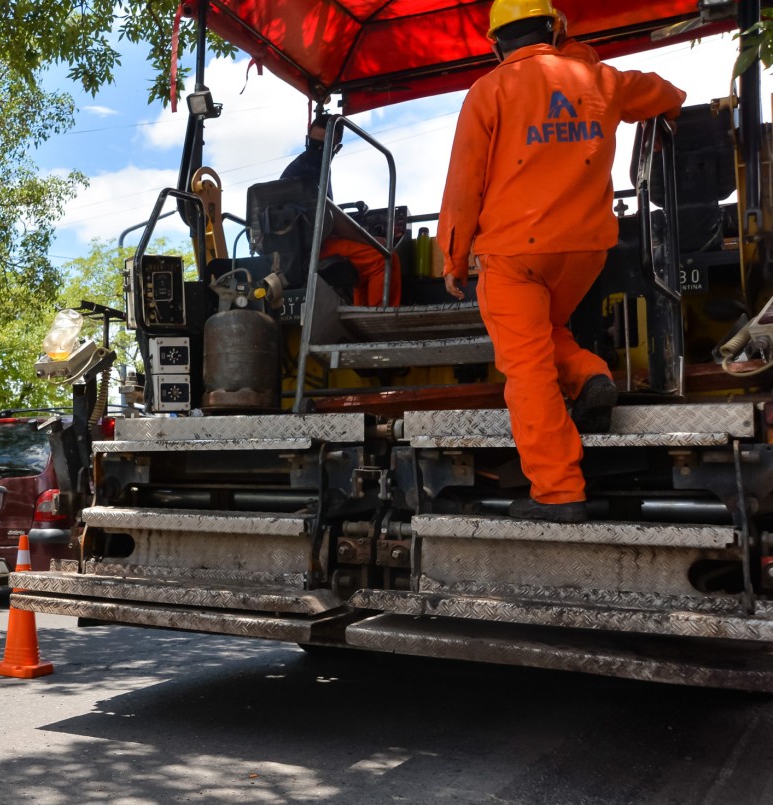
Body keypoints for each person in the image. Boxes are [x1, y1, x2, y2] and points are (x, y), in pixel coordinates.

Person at [438, 0, 686, 522]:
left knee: (525, 368)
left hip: (513, 255)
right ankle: (590, 372)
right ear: (554, 28)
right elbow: (665, 91)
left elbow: (463, 185)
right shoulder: (599, 79)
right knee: (548, 331)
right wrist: (669, 112)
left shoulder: (488, 91)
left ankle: (557, 491)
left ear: (495, 42)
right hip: (585, 251)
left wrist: (454, 258)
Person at [282, 115, 401, 307]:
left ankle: (363, 323)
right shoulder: (310, 171)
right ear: (307, 139)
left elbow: (325, 215)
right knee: (384, 257)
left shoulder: (302, 166)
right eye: (314, 144)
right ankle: (383, 321)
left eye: (324, 146)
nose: (318, 150)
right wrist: (371, 240)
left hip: (296, 249)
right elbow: (332, 219)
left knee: (364, 269)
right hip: (311, 250)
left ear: (336, 148)